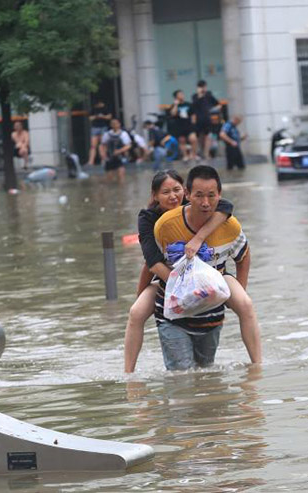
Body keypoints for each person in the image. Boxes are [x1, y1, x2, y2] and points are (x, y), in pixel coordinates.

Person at [123, 168, 262, 372]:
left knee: (245, 303)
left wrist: (198, 239)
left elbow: (226, 207)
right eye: (165, 192)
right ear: (155, 196)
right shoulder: (153, 221)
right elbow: (151, 263)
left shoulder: (204, 206)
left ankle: (258, 367)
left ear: (184, 191)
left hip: (214, 274)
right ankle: (129, 374)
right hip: (168, 276)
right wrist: (183, 284)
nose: (173, 196)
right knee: (136, 312)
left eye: (176, 190)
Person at [191, 80, 221, 160]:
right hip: (198, 120)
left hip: (207, 119)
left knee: (208, 136)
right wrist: (200, 95)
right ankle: (200, 152)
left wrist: (213, 110)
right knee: (199, 137)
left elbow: (218, 104)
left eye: (204, 87)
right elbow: (193, 106)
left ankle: (206, 153)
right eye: (201, 87)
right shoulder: (195, 96)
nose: (203, 88)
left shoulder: (209, 95)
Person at [99, 118, 132, 184]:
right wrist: (102, 155)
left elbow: (128, 145)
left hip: (120, 157)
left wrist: (119, 151)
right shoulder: (107, 134)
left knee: (121, 175)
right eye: (113, 124)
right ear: (111, 125)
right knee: (109, 178)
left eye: (116, 123)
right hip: (109, 157)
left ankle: (121, 190)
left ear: (119, 124)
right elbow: (102, 145)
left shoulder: (123, 134)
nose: (115, 125)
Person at [169, 90, 198, 163]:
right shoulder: (173, 105)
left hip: (189, 125)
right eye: (179, 94)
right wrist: (176, 105)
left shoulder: (188, 104)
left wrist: (193, 124)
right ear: (176, 97)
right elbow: (173, 114)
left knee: (193, 139)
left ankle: (193, 154)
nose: (182, 95)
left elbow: (193, 115)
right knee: (182, 141)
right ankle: (185, 156)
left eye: (182, 94)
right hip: (179, 126)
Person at [87, 100, 112, 166]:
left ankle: (103, 159)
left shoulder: (105, 108)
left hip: (103, 127)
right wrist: (96, 116)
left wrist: (102, 116)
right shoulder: (93, 109)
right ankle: (91, 161)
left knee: (103, 144)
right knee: (93, 145)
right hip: (95, 127)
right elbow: (90, 118)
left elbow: (109, 117)